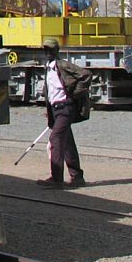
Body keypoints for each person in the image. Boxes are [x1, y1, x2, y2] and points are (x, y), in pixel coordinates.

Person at [37, 37, 93, 189]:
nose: (48, 52)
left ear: (56, 51)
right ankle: (77, 177)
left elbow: (86, 75)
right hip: (56, 109)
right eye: (45, 50)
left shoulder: (62, 65)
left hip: (65, 108)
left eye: (50, 49)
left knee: (55, 139)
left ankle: (57, 180)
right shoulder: (48, 67)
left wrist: (74, 94)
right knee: (67, 142)